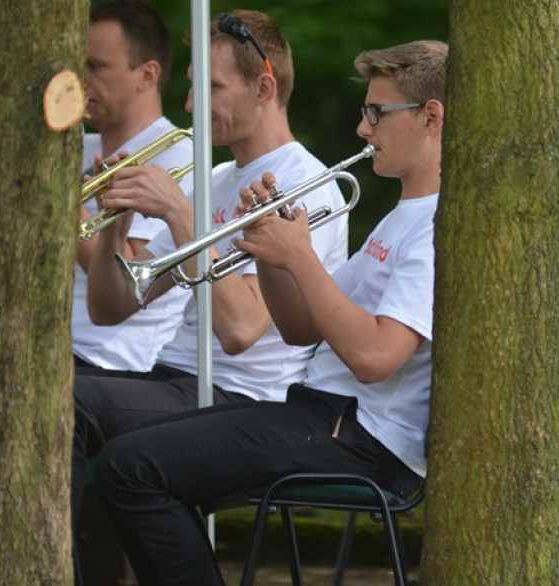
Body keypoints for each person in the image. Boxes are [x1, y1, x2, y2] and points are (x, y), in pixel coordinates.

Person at [92, 39, 447, 586]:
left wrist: (299, 256)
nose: (363, 129)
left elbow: (375, 358)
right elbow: (300, 326)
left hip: (364, 437)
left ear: (431, 118)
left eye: (377, 113)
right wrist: (271, 249)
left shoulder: (433, 226)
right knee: (127, 455)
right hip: (324, 416)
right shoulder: (404, 215)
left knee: (130, 467)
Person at [72, 10, 349, 552]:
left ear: (263, 88)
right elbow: (110, 308)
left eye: (212, 88)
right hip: (173, 378)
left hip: (242, 395)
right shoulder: (217, 179)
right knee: (48, 385)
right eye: (193, 86)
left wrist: (182, 214)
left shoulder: (307, 184)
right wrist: (114, 225)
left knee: (68, 398)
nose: (192, 105)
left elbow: (241, 329)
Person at [73, 0, 193, 376]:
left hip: (113, 359)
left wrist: (61, 200)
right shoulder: (76, 147)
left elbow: (128, 275)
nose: (80, 81)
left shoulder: (176, 154)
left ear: (146, 76)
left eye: (96, 67)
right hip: (55, 344)